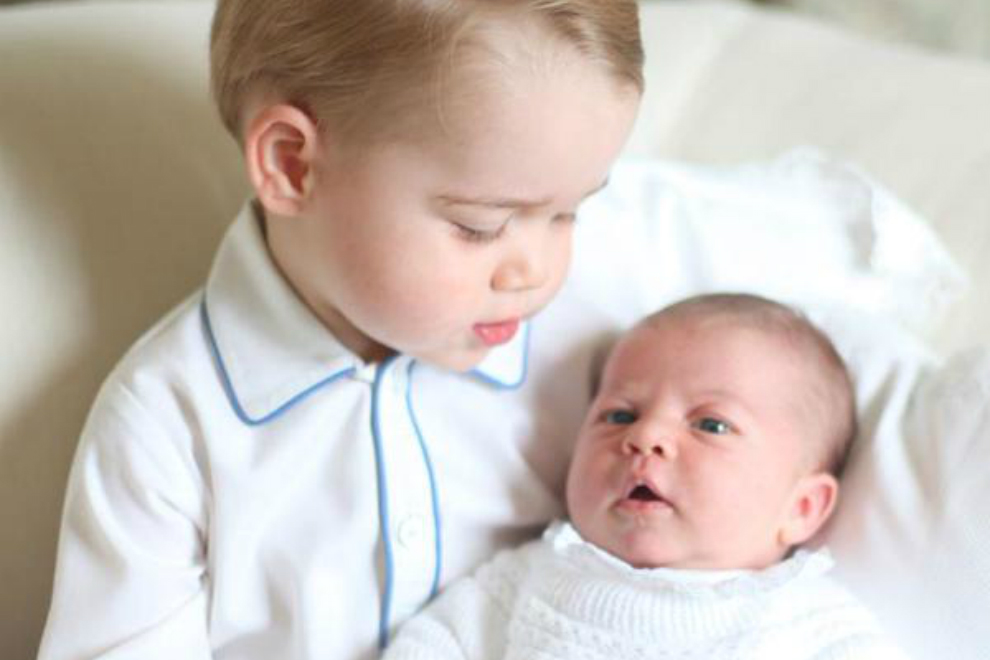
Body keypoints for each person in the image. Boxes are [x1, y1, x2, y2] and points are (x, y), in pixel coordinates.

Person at [37, 2, 642, 660]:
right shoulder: (167, 424)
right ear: (292, 165)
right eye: (480, 226)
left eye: (569, 214)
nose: (536, 270)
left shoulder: (598, 350)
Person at [381, 293, 909, 660]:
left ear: (801, 508)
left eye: (710, 424)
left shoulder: (808, 624)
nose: (644, 436)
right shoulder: (525, 581)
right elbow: (432, 644)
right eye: (619, 414)